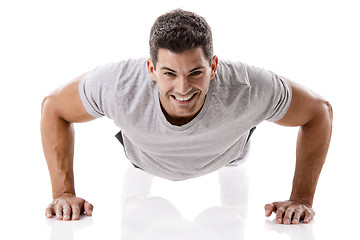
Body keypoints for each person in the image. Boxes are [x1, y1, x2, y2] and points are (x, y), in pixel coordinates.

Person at [41, 9, 333, 224]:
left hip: (226, 153)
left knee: (224, 220)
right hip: (144, 157)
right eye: (169, 73)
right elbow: (53, 108)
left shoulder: (248, 87)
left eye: (196, 72)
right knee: (143, 215)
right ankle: (133, 196)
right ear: (151, 69)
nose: (183, 89)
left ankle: (234, 204)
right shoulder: (117, 84)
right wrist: (63, 192)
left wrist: (301, 199)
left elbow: (319, 112)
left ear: (214, 66)